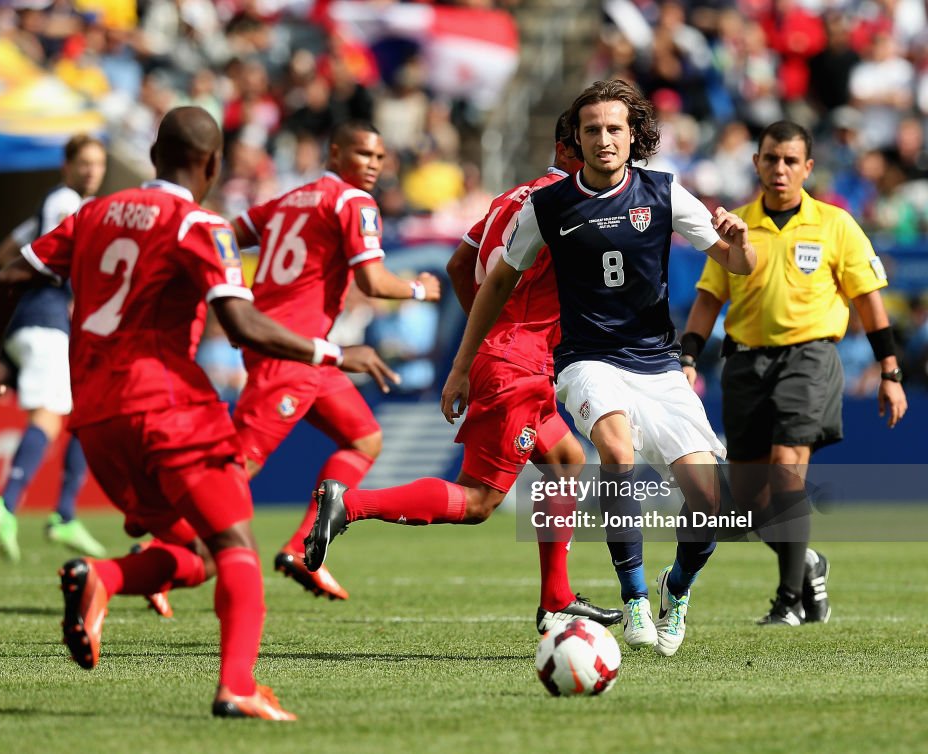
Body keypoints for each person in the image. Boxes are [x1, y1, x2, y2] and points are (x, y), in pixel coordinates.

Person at [0, 106, 397, 719]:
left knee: (200, 553)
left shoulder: (92, 213)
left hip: (97, 422)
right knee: (236, 543)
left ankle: (104, 578)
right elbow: (242, 326)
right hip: (168, 409)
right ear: (211, 165)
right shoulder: (199, 224)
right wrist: (332, 351)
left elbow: (5, 280)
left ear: (155, 155)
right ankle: (238, 687)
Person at [428, 79, 755, 657]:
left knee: (712, 503)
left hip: (656, 363)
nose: (604, 139)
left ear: (634, 137)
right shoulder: (548, 205)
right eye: (592, 130)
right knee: (617, 452)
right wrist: (460, 365)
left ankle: (674, 589)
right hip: (586, 359)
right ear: (575, 140)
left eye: (614, 129)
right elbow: (497, 279)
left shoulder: (665, 193)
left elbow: (737, 263)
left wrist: (741, 240)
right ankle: (633, 600)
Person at [299, 114, 623, 634]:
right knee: (477, 501)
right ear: (569, 149)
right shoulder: (571, 206)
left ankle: (557, 598)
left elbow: (457, 265)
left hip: (512, 357)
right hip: (519, 364)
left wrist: (485, 339)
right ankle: (352, 504)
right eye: (592, 139)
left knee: (566, 459)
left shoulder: (511, 197)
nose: (606, 149)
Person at [680, 120, 908, 626]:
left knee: (787, 467)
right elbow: (707, 299)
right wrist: (689, 356)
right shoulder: (735, 225)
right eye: (769, 159)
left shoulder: (835, 224)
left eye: (789, 161)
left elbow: (869, 302)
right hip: (744, 361)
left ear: (807, 167)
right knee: (748, 500)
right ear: (756, 163)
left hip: (809, 357)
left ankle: (789, 602)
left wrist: (889, 371)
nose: (779, 169)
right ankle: (806, 562)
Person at [230, 120, 442, 601]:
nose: (373, 164)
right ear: (334, 152)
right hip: (292, 350)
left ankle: (299, 549)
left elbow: (227, 233)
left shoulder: (288, 200)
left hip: (302, 350)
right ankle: (158, 555)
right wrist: (418, 289)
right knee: (237, 468)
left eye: (380, 157)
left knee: (364, 438)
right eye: (364, 153)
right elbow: (372, 282)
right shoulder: (352, 202)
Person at [0, 134, 108, 563]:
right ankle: (7, 503)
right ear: (66, 165)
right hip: (46, 322)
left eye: (98, 164)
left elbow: (4, 251)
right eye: (84, 162)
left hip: (31, 321)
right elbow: (66, 251)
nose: (92, 171)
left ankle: (65, 514)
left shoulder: (50, 203)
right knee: (51, 417)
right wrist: (69, 289)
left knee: (82, 412)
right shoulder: (66, 201)